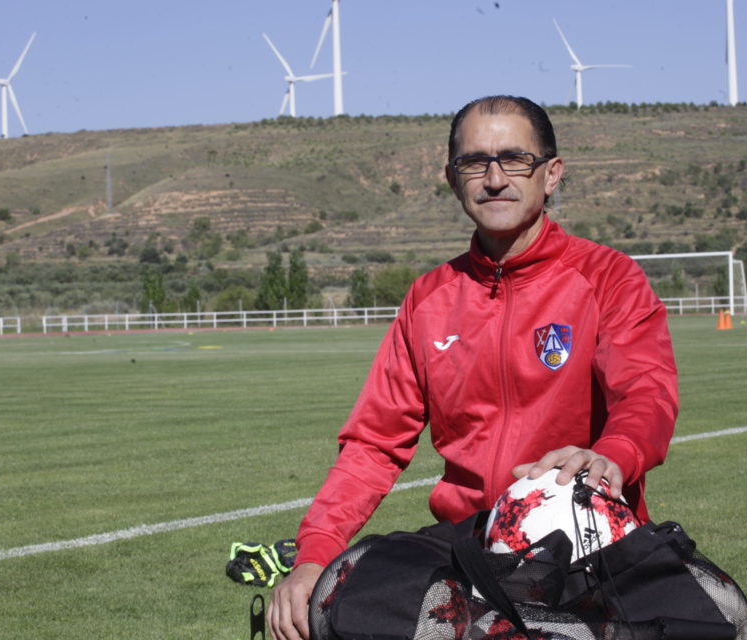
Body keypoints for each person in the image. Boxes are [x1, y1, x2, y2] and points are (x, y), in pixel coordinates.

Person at [268, 95, 678, 640]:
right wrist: (314, 556)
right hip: (469, 545)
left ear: (551, 174)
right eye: (474, 162)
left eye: (514, 159)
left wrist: (611, 455)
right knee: (324, 608)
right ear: (451, 178)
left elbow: (646, 394)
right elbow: (373, 444)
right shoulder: (428, 298)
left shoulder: (608, 278)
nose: (493, 178)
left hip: (585, 541)